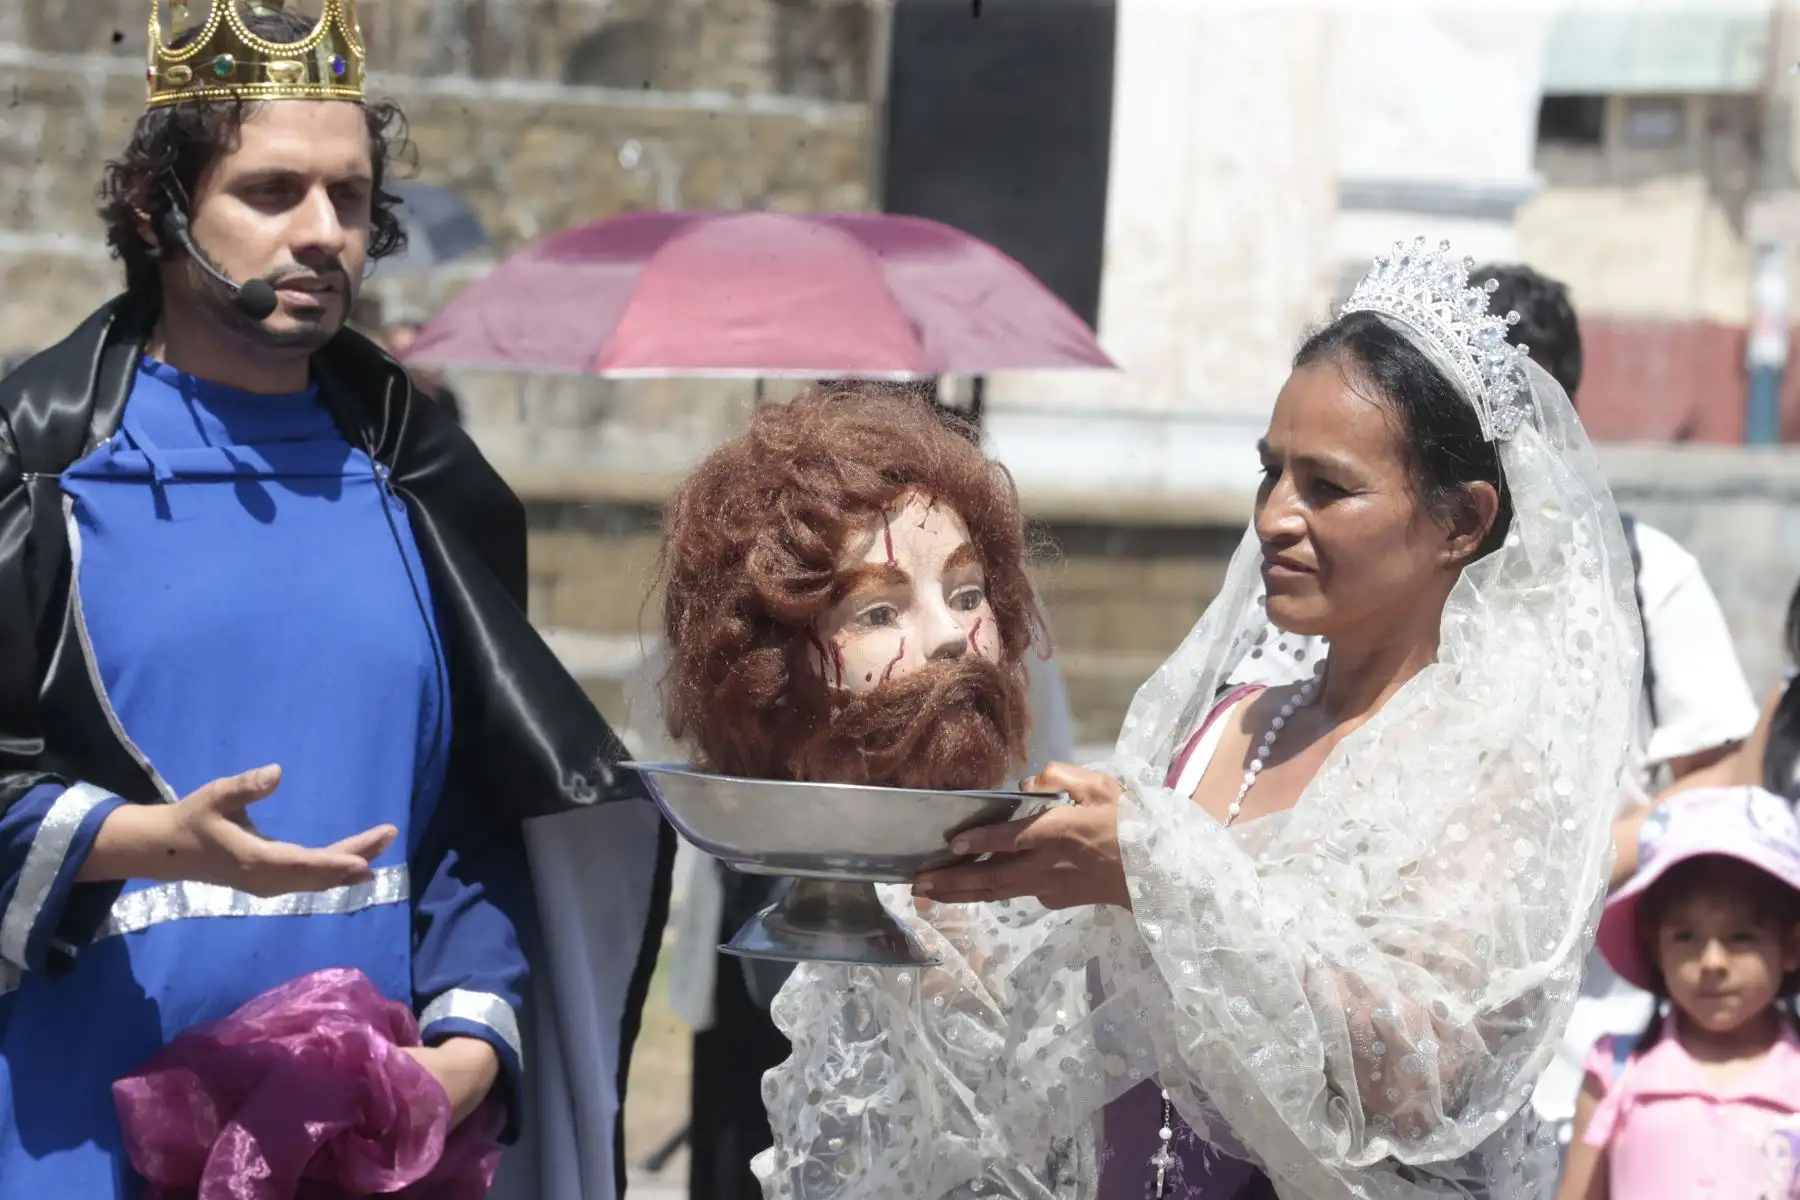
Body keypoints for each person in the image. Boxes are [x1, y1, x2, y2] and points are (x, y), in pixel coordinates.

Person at [755, 238, 1642, 1198]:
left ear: (1463, 522)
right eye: (1272, 473)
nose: (1275, 518)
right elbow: (1084, 1029)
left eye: (1328, 487)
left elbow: (1422, 1077)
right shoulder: (1230, 728)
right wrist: (935, 877)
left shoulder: (1493, 767)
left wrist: (1157, 871)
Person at [0, 3, 663, 1196]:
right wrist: (142, 840)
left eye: (350, 199)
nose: (323, 235)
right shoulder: (34, 477)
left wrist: (465, 1048)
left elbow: (476, 813)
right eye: (272, 192)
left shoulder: (422, 489)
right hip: (70, 1142)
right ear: (158, 210)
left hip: (357, 1163)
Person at [650, 380, 1051, 1200]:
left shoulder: (1059, 899)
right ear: (769, 668)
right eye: (879, 611)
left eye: (969, 595)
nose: (950, 639)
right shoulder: (791, 934)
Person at [1471, 263, 1762, 1152]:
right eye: (1485, 384)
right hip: (1439, 1025)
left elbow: (1717, 773)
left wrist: (1584, 863)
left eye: (1533, 387)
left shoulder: (1648, 572)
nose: (1505, 419)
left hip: (1601, 1026)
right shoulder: (1404, 566)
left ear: (1571, 397)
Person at [1555, 787, 1800, 1200]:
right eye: (1686, 937)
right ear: (1656, 947)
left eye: (1741, 937)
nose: (1712, 962)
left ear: (1792, 947)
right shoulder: (1615, 1069)